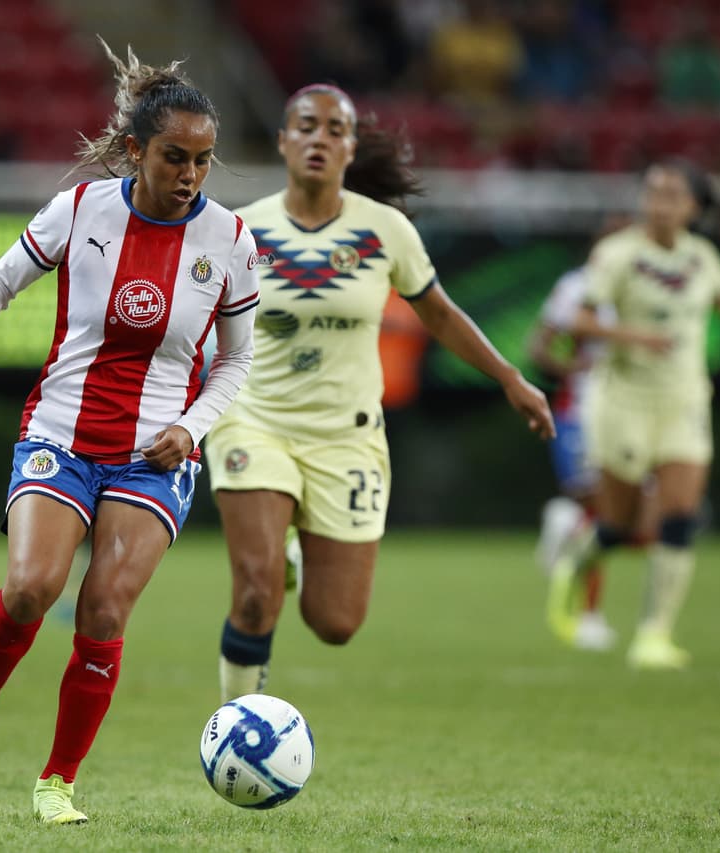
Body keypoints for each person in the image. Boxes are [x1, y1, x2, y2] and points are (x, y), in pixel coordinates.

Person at [0, 45, 259, 826]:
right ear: (136, 150)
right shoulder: (80, 210)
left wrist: (191, 424)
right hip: (61, 435)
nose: (190, 175)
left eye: (204, 161)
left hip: (154, 457)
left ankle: (57, 781)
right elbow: (0, 275)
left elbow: (238, 362)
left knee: (103, 610)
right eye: (175, 157)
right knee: (31, 589)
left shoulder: (231, 241)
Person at [208, 83, 554, 702]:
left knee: (335, 624)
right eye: (306, 126)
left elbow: (441, 315)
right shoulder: (239, 232)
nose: (319, 138)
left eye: (334, 129)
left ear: (350, 149)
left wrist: (509, 377)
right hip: (254, 422)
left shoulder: (385, 230)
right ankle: (237, 724)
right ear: (283, 141)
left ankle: (290, 549)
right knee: (255, 593)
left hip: (348, 437)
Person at [545, 159, 720, 669]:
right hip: (624, 398)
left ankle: (655, 634)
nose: (659, 202)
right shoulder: (618, 254)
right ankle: (574, 563)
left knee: (680, 516)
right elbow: (581, 321)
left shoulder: (703, 257)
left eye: (671, 194)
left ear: (692, 207)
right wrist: (637, 337)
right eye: (653, 192)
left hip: (683, 400)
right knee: (621, 526)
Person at [528, 225, 659, 652]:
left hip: (638, 410)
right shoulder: (577, 286)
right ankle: (588, 615)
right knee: (603, 511)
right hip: (583, 411)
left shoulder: (647, 286)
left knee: (640, 529)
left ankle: (567, 526)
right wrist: (576, 370)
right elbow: (539, 347)